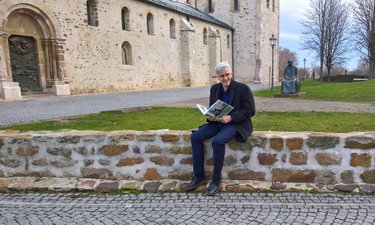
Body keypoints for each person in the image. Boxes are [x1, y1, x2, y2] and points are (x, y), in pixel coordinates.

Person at [183, 62, 256, 196]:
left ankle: (216, 180)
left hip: (236, 124)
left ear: (231, 73)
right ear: (217, 76)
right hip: (217, 123)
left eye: (227, 74)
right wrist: (210, 116)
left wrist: (231, 117)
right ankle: (199, 176)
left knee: (217, 141)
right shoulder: (214, 89)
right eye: (222, 76)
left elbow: (250, 111)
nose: (225, 78)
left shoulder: (243, 88)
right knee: (195, 137)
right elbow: (213, 108)